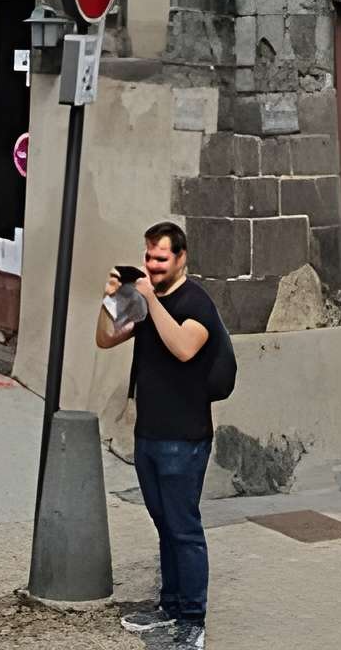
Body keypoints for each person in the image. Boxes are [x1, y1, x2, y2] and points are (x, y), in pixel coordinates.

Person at [95, 219, 221, 649]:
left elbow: (185, 347)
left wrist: (150, 299)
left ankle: (193, 619)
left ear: (181, 258)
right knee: (163, 522)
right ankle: (168, 605)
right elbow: (105, 339)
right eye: (148, 257)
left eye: (161, 258)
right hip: (149, 433)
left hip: (185, 437)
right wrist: (112, 300)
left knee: (184, 527)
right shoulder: (143, 297)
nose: (152, 264)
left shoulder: (197, 302)